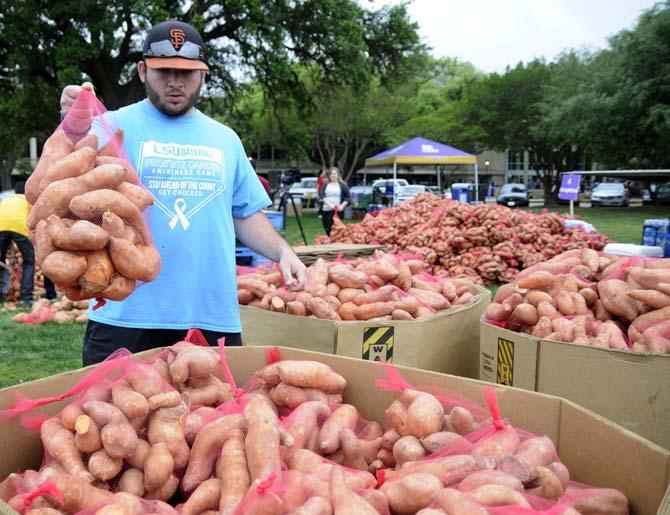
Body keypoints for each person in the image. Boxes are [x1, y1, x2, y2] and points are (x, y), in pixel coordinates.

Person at [59, 20, 306, 365]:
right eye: (164, 72)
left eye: (186, 73)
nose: (175, 82)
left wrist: (283, 252)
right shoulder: (110, 126)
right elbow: (62, 181)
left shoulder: (226, 139)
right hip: (126, 316)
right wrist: (70, 118)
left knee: (212, 418)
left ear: (203, 75)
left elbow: (245, 214)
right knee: (113, 415)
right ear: (143, 71)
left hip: (209, 316)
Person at [0, 181, 35, 309]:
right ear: (26, 191)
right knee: (29, 262)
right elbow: (33, 219)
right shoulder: (28, 200)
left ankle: (1, 297)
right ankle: (26, 299)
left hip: (1, 227)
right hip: (20, 228)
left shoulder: (5, 198)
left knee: (0, 261)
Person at [318, 167, 350, 236]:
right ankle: (329, 242)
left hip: (337, 211)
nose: (333, 175)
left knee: (335, 229)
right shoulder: (325, 185)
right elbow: (322, 196)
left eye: (334, 174)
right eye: (331, 174)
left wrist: (342, 206)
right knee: (327, 228)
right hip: (326, 209)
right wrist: (330, 205)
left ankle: (335, 243)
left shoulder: (343, 185)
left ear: (338, 175)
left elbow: (348, 198)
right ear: (329, 176)